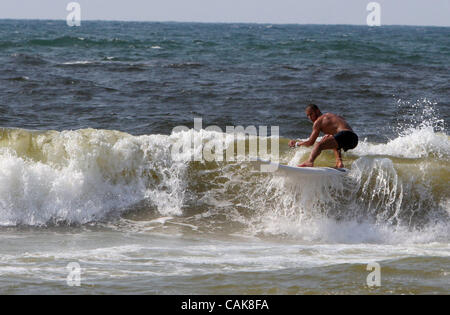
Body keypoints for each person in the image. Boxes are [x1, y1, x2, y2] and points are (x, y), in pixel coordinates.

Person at [288, 104, 358, 168]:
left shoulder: (318, 121)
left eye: (311, 114)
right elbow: (337, 142)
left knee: (318, 145)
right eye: (308, 116)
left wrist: (296, 144)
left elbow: (310, 142)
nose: (310, 117)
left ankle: (309, 162)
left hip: (346, 135)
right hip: (354, 139)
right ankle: (339, 163)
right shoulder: (332, 117)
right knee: (332, 141)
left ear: (317, 111)